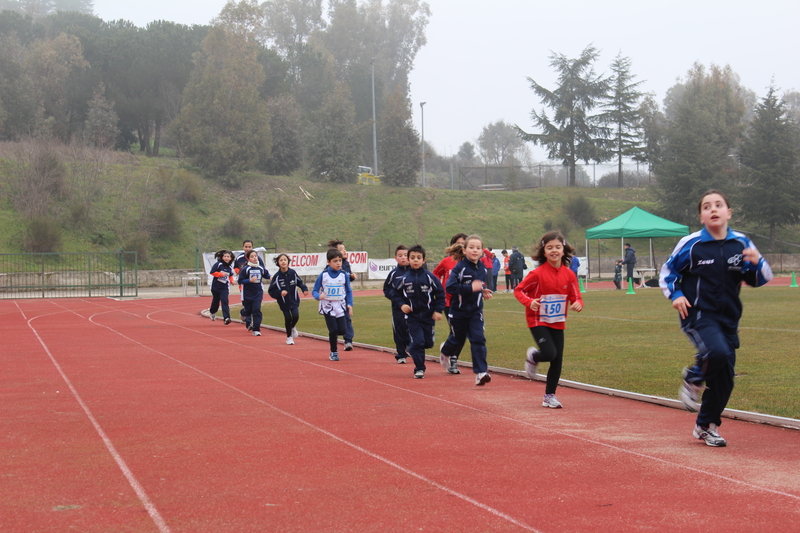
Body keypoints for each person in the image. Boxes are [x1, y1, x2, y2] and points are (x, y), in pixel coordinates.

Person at [659, 189, 772, 447]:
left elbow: (760, 279)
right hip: (697, 314)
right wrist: (675, 294)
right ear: (701, 216)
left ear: (728, 213)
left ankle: (705, 426)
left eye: (719, 205)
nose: (713, 209)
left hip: (729, 318)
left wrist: (756, 262)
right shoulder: (692, 244)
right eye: (707, 206)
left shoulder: (742, 243)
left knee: (724, 380)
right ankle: (694, 377)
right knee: (717, 353)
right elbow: (668, 271)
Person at [514, 231, 583, 408]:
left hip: (558, 321)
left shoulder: (569, 274)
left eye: (557, 247)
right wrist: (530, 302)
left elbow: (576, 296)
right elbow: (519, 290)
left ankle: (549, 396)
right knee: (549, 353)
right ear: (544, 252)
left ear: (563, 250)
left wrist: (577, 304)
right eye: (549, 247)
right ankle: (534, 356)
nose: (554, 251)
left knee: (557, 359)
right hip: (538, 320)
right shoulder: (537, 274)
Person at [440, 235, 494, 385]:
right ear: (464, 250)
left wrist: (482, 291)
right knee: (458, 339)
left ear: (482, 251)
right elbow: (450, 287)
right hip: (458, 311)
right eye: (471, 247)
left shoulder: (482, 268)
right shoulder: (459, 268)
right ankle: (445, 351)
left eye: (478, 248)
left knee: (478, 339)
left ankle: (481, 372)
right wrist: (471, 288)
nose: (475, 250)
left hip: (476, 311)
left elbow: (477, 286)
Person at [387, 245, 445, 378]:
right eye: (412, 258)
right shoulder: (404, 279)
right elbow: (395, 294)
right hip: (412, 317)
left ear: (424, 260)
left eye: (418, 258)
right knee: (417, 343)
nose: (415, 260)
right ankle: (419, 368)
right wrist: (402, 305)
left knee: (428, 343)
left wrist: (437, 310)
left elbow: (440, 294)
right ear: (408, 260)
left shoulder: (430, 277)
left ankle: (424, 341)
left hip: (428, 316)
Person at [313, 248, 353, 361]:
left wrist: (350, 304)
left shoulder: (344, 275)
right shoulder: (323, 275)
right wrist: (318, 296)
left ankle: (334, 340)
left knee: (343, 330)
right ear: (328, 262)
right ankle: (334, 352)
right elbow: (315, 290)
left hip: (340, 307)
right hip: (328, 307)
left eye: (340, 260)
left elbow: (349, 291)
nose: (338, 263)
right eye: (335, 261)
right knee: (333, 330)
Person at [268, 253, 309, 345]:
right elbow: (271, 290)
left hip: (294, 300)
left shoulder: (293, 273)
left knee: (295, 316)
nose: (283, 262)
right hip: (283, 302)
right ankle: (289, 337)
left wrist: (304, 289)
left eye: (285, 260)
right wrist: (280, 293)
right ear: (278, 263)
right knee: (287, 317)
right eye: (281, 260)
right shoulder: (277, 276)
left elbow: (299, 282)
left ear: (288, 262)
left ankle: (293, 326)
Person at [382, 245, 410, 363]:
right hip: (398, 308)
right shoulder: (393, 274)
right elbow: (387, 289)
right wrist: (396, 300)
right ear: (395, 258)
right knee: (399, 330)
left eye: (405, 255)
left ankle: (410, 346)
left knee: (414, 328)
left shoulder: (417, 272)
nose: (403, 258)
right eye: (400, 256)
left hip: (414, 308)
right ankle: (401, 354)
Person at [328, 239, 356, 351]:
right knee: (334, 321)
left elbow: (347, 281)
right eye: (341, 250)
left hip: (344, 297)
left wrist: (351, 277)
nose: (344, 251)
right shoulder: (329, 268)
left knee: (347, 319)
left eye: (345, 249)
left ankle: (348, 341)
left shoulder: (347, 264)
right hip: (333, 299)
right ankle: (334, 340)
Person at [433, 233, 467, 321]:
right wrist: (440, 286)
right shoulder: (446, 261)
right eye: (458, 243)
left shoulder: (471, 262)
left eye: (463, 243)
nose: (460, 245)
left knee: (464, 330)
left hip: (466, 300)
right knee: (455, 329)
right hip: (449, 301)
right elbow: (436, 273)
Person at [237, 249, 270, 337]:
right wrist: (249, 280)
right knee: (248, 311)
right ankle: (243, 312)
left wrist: (270, 277)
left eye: (255, 256)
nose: (255, 258)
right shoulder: (245, 269)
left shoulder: (261, 268)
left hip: (257, 292)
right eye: (252, 257)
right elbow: (240, 280)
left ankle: (256, 329)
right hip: (247, 293)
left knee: (256, 310)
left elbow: (266, 275)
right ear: (248, 259)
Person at [234, 240, 265, 325]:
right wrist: (239, 272)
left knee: (255, 306)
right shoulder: (239, 258)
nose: (247, 248)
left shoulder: (257, 258)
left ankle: (250, 322)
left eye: (249, 247)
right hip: (244, 286)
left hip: (257, 286)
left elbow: (263, 270)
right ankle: (247, 318)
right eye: (246, 247)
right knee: (247, 305)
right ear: (243, 247)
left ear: (252, 247)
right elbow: (235, 268)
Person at [208, 249, 235, 324]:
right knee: (216, 301)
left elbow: (230, 276)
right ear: (222, 257)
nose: (226, 258)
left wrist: (232, 281)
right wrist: (220, 274)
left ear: (231, 258)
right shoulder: (218, 264)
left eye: (228, 257)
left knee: (225, 301)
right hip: (216, 286)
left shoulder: (230, 268)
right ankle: (213, 311)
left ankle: (227, 318)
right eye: (225, 256)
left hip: (224, 287)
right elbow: (212, 272)